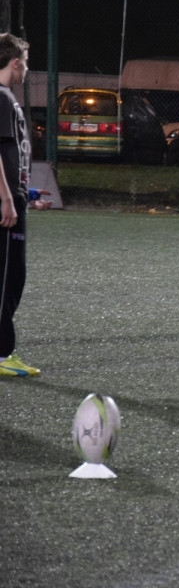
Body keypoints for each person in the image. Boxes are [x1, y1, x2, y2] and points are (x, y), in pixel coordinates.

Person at [0, 33, 42, 376]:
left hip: (14, 200)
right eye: (26, 63)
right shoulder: (1, 96)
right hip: (5, 206)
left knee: (12, 277)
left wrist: (26, 193)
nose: (27, 69)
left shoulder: (6, 98)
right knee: (7, 279)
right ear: (15, 63)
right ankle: (2, 355)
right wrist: (5, 198)